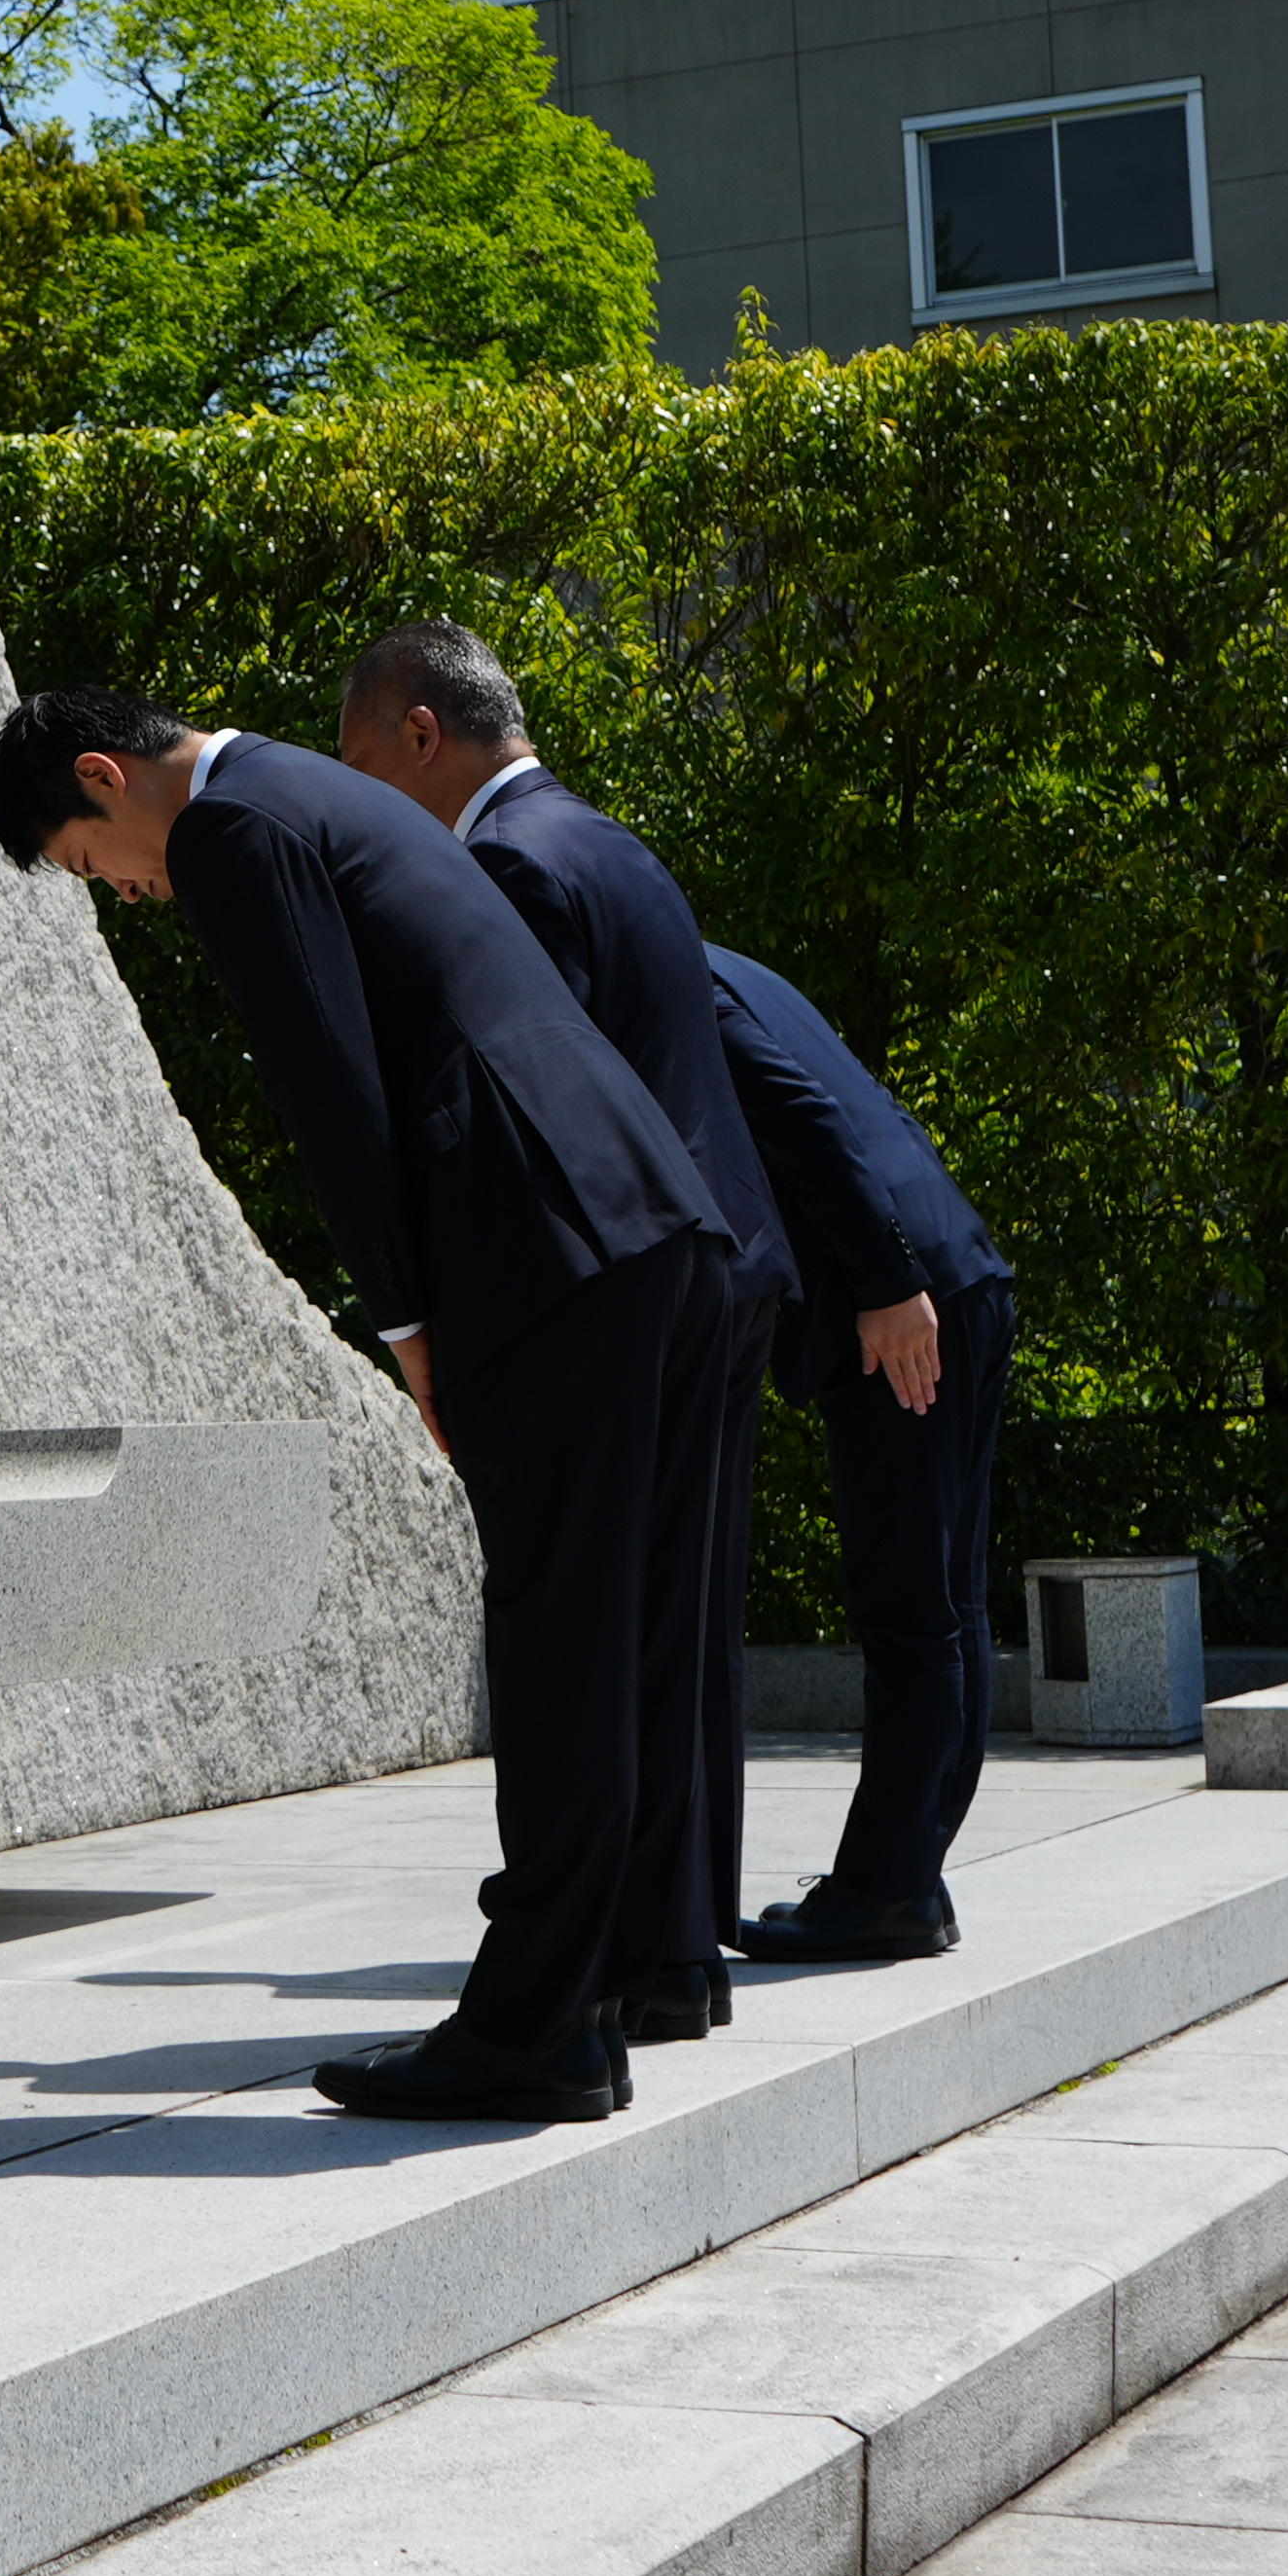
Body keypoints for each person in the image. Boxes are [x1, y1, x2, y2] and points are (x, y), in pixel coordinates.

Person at [0, 684, 739, 2124]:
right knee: (631, 1627)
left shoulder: (228, 829)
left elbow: (330, 1087)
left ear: (106, 778)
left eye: (96, 864)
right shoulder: (329, 794)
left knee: (555, 1634)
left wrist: (407, 1324)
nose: (131, 893)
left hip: (545, 1245)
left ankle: (535, 2029)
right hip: (652, 1221)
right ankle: (621, 1980)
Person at [326, 621, 787, 2040]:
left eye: (360, 766)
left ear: (419, 733)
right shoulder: (611, 841)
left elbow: (523, 1103)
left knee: (597, 1628)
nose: (365, 807)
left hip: (621, 1271)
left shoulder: (508, 867)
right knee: (673, 1629)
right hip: (719, 1254)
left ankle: (614, 1957)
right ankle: (673, 1948)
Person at [700, 937, 1018, 1961]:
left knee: (912, 1608)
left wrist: (884, 1282)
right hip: (954, 1273)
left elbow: (803, 1117)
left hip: (903, 1301)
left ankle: (889, 1889)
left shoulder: (672, 982)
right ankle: (907, 1875)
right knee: (946, 1600)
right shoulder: (731, 968)